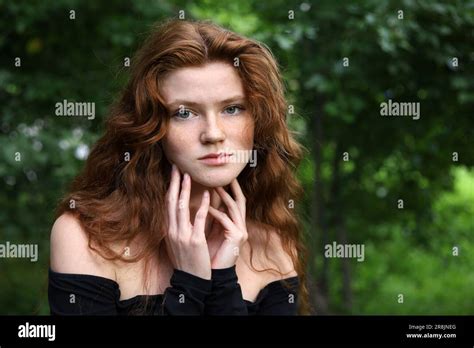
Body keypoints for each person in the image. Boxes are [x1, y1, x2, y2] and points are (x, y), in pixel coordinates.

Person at [48, 19, 310, 315]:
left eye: (232, 108)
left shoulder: (272, 249)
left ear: (258, 120)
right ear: (151, 126)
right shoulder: (87, 237)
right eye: (184, 113)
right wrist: (190, 284)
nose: (213, 133)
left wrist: (222, 283)